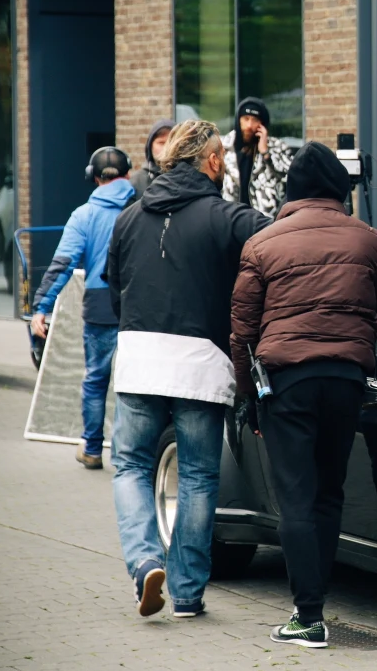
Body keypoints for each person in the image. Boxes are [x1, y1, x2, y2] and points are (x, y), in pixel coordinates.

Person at [230, 142, 377, 648]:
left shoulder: (263, 244)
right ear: (338, 190)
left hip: (287, 385)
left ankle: (308, 616)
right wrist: (357, 334)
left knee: (295, 498)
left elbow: (241, 332)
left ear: (293, 192)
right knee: (330, 492)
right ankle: (317, 603)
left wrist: (248, 394)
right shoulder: (368, 240)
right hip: (347, 381)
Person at [105, 120, 270, 618]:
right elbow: (280, 246)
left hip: (138, 356)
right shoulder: (230, 218)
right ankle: (188, 593)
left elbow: (115, 291)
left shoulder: (129, 218)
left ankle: (143, 561)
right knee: (198, 475)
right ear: (214, 161)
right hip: (201, 360)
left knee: (130, 465)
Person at [30, 146, 135, 469]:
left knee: (96, 379)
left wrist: (41, 307)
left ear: (93, 178)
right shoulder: (140, 209)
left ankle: (91, 448)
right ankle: (125, 453)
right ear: (128, 174)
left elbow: (62, 265)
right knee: (133, 384)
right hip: (137, 307)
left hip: (100, 307)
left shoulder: (83, 215)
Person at [221, 96, 293, 219]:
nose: (249, 125)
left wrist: (266, 153)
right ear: (238, 121)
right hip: (230, 220)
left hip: (264, 222)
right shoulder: (223, 148)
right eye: (246, 119)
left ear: (262, 124)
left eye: (254, 120)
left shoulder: (278, 148)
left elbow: (291, 177)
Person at [127, 119, 173, 199]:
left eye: (171, 142)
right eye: (161, 143)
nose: (166, 148)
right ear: (150, 146)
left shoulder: (188, 179)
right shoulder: (136, 182)